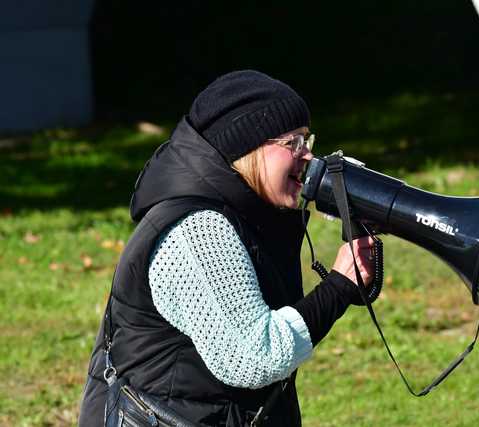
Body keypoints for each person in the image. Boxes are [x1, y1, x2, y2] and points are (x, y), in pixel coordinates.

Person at [78, 70, 375, 426]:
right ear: (245, 148)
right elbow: (254, 357)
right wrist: (339, 287)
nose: (307, 158)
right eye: (292, 144)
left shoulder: (251, 214)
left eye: (307, 142)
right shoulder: (197, 229)